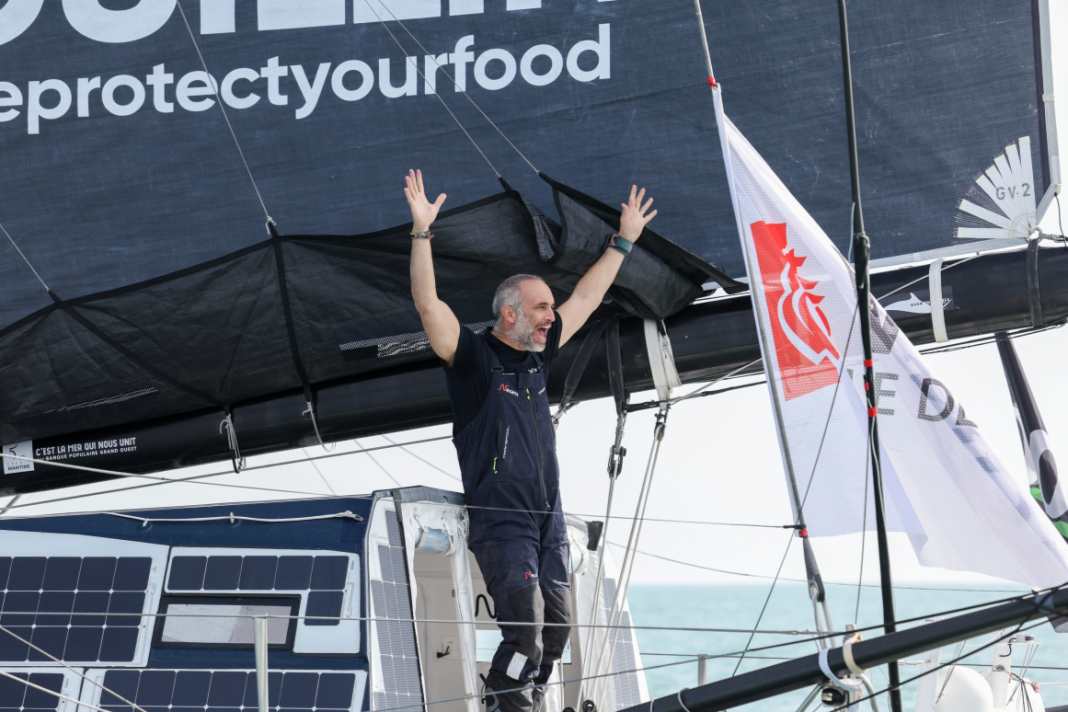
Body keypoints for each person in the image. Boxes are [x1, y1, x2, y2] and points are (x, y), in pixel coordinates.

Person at [403, 169, 656, 711]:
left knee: (558, 633)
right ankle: (505, 703)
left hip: (548, 520)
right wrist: (422, 233)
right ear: (509, 312)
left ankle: (526, 697)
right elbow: (429, 306)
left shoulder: (540, 356)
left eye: (549, 310)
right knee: (525, 634)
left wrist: (624, 241)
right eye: (541, 308)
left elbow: (588, 295)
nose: (551, 316)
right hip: (503, 523)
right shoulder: (473, 360)